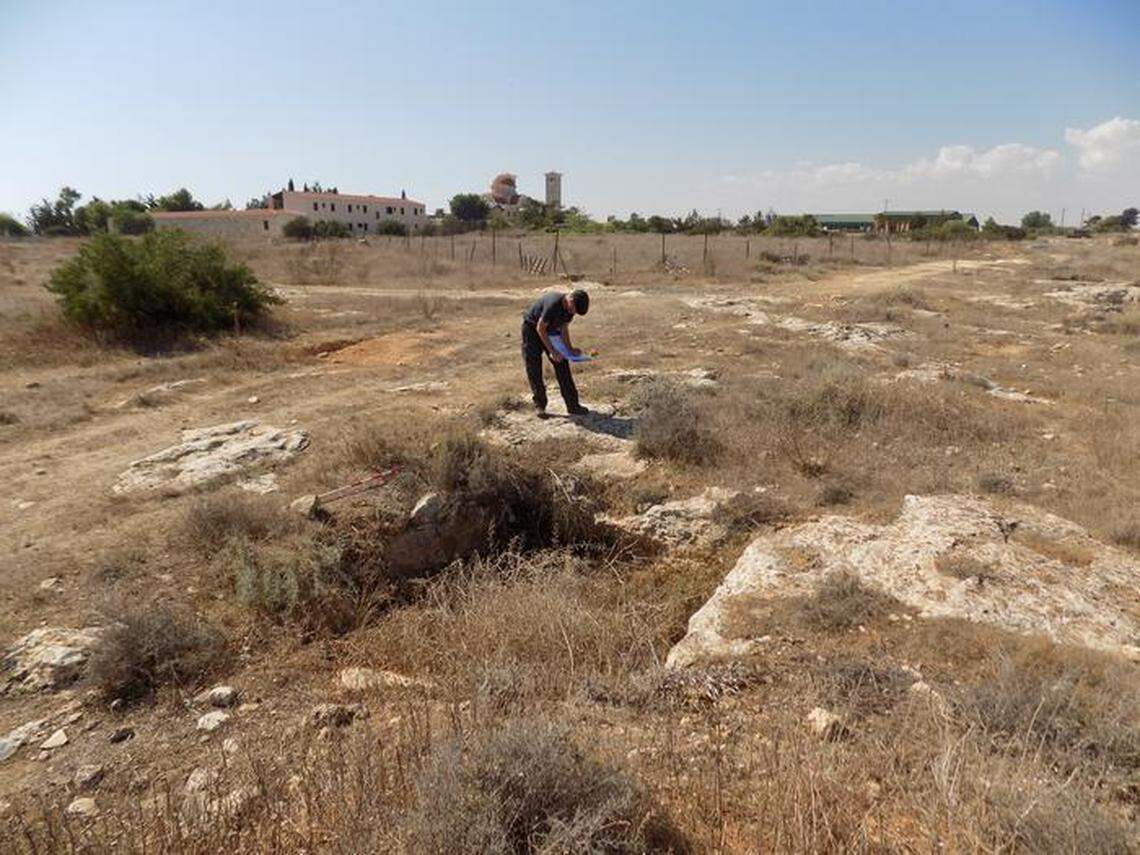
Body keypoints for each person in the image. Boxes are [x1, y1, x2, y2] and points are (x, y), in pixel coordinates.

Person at [520, 289, 590, 418]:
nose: (572, 313)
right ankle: (540, 405)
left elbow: (563, 328)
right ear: (570, 300)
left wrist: (569, 349)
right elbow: (540, 328)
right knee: (534, 367)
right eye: (573, 310)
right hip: (532, 329)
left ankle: (573, 406)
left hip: (550, 331)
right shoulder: (553, 304)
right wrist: (552, 351)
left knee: (562, 363)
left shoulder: (570, 309)